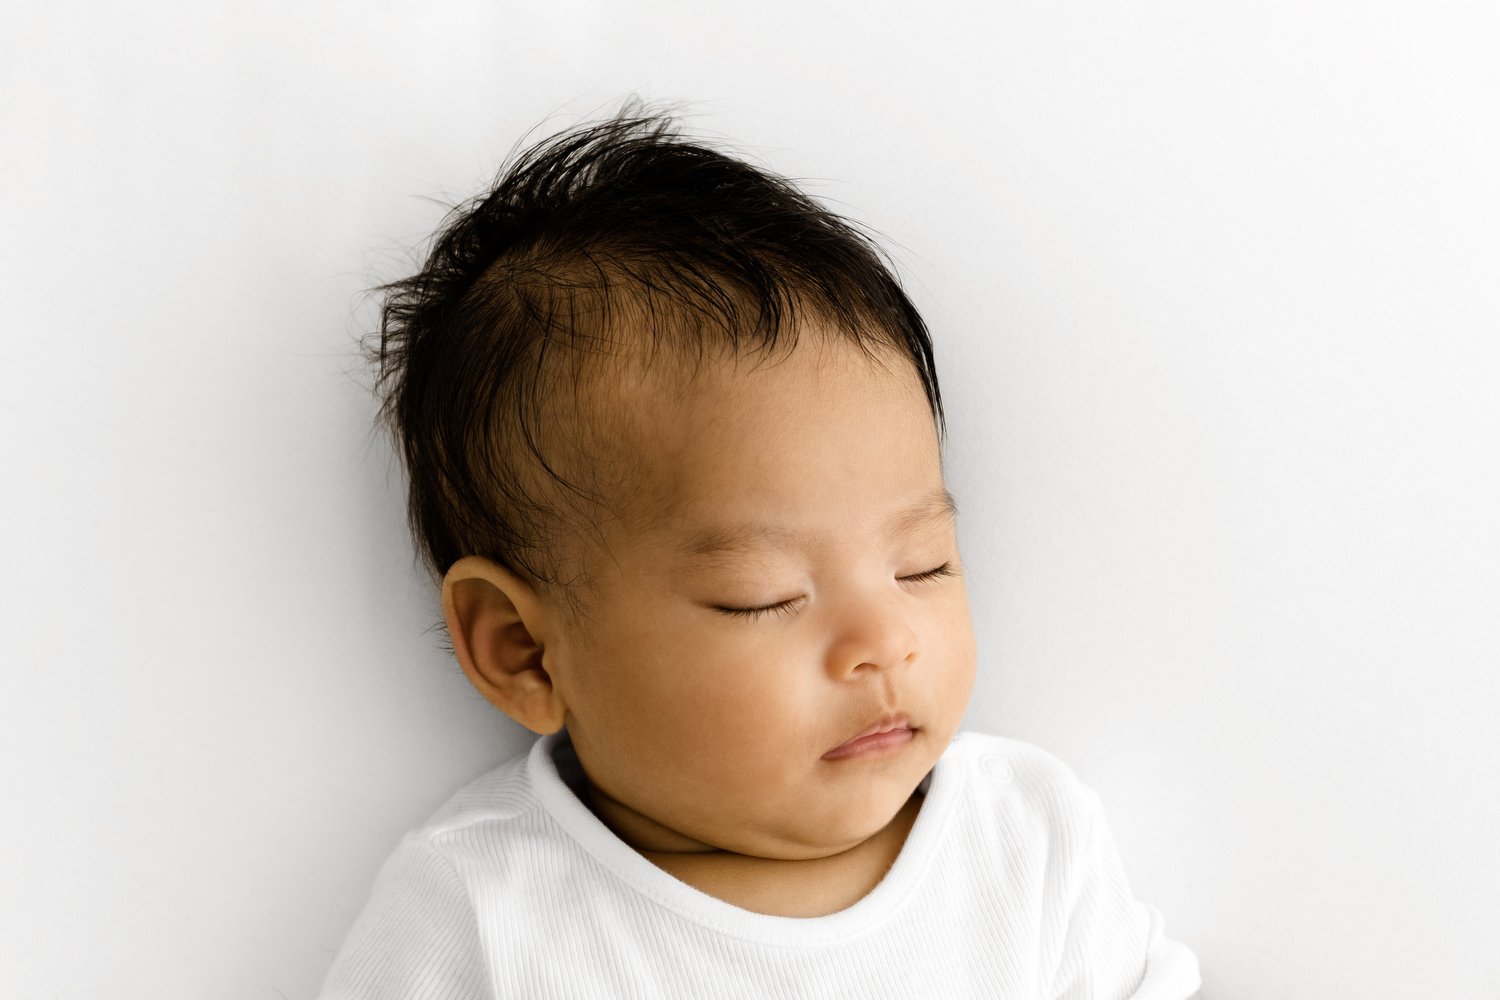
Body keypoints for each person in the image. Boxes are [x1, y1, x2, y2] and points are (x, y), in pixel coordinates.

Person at [319, 104, 1201, 999]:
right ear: (524, 649)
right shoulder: (482, 909)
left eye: (922, 564)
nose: (884, 642)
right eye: (764, 595)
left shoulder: (1024, 841)